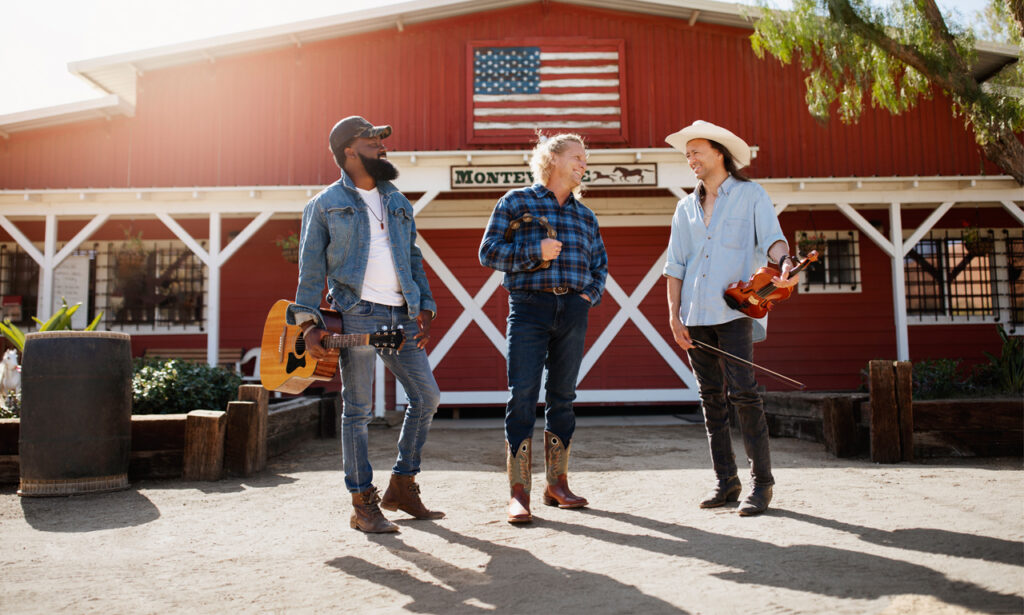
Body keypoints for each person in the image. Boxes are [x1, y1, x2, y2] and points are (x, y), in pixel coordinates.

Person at [288, 116, 443, 533]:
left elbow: (413, 259)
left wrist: (424, 307)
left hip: (403, 314)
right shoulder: (324, 205)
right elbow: (310, 272)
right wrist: (308, 324)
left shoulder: (398, 202)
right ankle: (362, 503)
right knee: (357, 411)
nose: (381, 146)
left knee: (427, 397)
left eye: (381, 139)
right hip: (355, 313)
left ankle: (403, 485)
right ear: (348, 151)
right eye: (372, 140)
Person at [663, 120, 797, 516]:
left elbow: (773, 240)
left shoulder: (750, 195)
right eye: (687, 154)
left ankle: (762, 485)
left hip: (734, 312)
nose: (691, 159)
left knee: (744, 394)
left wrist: (784, 260)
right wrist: (674, 316)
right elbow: (675, 266)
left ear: (719, 153)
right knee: (710, 399)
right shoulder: (684, 208)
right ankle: (726, 482)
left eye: (697, 152)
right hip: (695, 313)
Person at [479, 133, 608, 524]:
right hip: (529, 307)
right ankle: (520, 494)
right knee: (522, 394)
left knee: (564, 396)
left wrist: (587, 297)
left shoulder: (586, 216)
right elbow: (488, 252)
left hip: (573, 308)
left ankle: (558, 485)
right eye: (577, 157)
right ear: (552, 158)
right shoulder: (517, 201)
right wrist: (534, 251)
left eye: (586, 159)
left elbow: (599, 267)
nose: (584, 164)